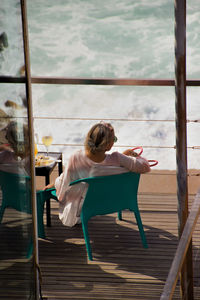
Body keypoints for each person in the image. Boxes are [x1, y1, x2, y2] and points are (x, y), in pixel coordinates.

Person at [44, 122, 151, 227]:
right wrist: (133, 157)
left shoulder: (76, 157)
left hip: (87, 203)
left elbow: (65, 183)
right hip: (112, 202)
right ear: (108, 145)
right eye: (114, 139)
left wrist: (55, 183)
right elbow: (145, 166)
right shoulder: (118, 159)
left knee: (62, 181)